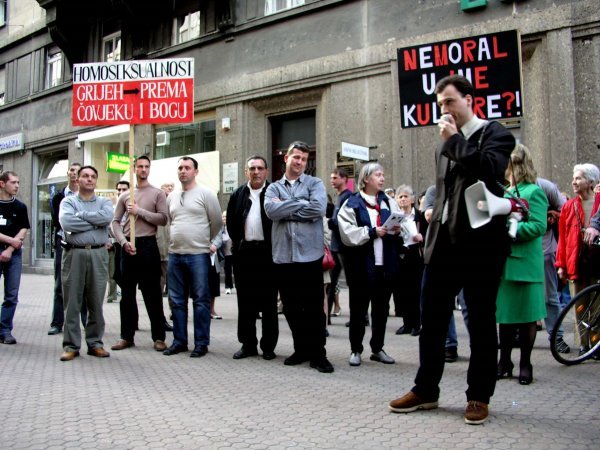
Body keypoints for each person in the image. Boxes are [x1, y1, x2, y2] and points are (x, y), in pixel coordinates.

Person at [389, 75, 516, 425]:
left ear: (469, 99)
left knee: (480, 322)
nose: (443, 109)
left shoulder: (496, 134)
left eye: (449, 101)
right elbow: (444, 191)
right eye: (440, 103)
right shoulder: (443, 143)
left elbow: (490, 171)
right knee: (431, 321)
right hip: (442, 243)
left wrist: (455, 140)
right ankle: (426, 390)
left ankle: (478, 396)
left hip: (479, 246)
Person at [265, 141, 333, 373]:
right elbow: (271, 211)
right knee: (292, 308)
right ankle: (301, 348)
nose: (300, 162)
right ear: (286, 158)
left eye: (304, 159)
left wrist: (286, 207)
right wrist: (301, 204)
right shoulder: (273, 188)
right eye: (296, 157)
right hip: (283, 258)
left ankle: (318, 354)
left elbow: (318, 209)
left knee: (314, 309)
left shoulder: (315, 183)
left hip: (310, 256)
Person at [337, 162, 401, 367]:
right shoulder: (352, 203)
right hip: (361, 267)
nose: (382, 178)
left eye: (383, 175)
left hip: (385, 266)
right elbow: (346, 232)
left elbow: (403, 222)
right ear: (365, 179)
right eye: (378, 175)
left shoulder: (388, 202)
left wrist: (398, 231)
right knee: (358, 310)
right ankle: (356, 349)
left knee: (381, 310)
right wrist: (372, 232)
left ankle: (377, 348)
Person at [496, 144, 548, 385]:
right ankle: (504, 361)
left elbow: (539, 226)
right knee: (505, 316)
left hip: (526, 263)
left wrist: (509, 229)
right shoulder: (505, 191)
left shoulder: (533, 192)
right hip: (505, 263)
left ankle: (526, 363)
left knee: (527, 317)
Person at [163, 156, 222, 357]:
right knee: (177, 301)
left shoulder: (206, 194)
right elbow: (171, 221)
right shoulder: (171, 197)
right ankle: (179, 341)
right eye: (180, 167)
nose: (183, 171)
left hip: (198, 255)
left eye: (187, 167)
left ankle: (201, 343)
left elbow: (216, 223)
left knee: (200, 301)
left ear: (196, 171)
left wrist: (205, 242)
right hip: (175, 255)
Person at [111, 155, 169, 353]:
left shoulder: (157, 194)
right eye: (140, 166)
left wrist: (139, 211)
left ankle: (159, 337)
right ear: (134, 169)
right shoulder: (125, 195)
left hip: (148, 246)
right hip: (128, 246)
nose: (143, 169)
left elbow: (163, 219)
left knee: (152, 294)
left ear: (149, 169)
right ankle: (126, 336)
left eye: (146, 166)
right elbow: (115, 222)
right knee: (126, 295)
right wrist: (123, 242)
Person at [58, 166, 113, 361]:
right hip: (75, 255)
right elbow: (67, 224)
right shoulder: (68, 202)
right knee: (72, 301)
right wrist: (96, 222)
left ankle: (95, 344)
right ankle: (71, 345)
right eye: (85, 176)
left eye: (92, 176)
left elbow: (107, 218)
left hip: (98, 254)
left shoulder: (105, 202)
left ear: (96, 180)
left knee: (96, 301)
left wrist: (81, 216)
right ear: (78, 179)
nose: (89, 179)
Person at [226, 155, 278, 360]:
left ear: (266, 171)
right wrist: (238, 244)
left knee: (268, 303)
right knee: (245, 302)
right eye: (252, 168)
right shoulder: (238, 194)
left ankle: (268, 347)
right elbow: (231, 223)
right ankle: (248, 344)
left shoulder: (274, 191)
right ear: (246, 172)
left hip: (269, 254)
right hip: (245, 253)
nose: (256, 172)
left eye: (260, 168)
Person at [555, 163, 600, 355]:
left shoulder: (599, 203)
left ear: (590, 182)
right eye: (574, 178)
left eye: (578, 178)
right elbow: (563, 239)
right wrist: (561, 265)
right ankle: (583, 344)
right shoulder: (568, 207)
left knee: (598, 306)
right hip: (577, 262)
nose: (574, 182)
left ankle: (596, 343)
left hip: (597, 261)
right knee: (580, 305)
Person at [48, 162, 85, 335]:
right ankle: (57, 323)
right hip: (63, 243)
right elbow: (58, 222)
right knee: (60, 285)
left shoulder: (87, 196)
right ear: (68, 173)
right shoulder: (58, 197)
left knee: (84, 284)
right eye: (71, 170)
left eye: (78, 171)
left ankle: (86, 322)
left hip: (83, 243)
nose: (74, 173)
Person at [535, 177, 567, 352]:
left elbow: (566, 210)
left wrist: (553, 215)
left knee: (549, 295)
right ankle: (517, 334)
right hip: (518, 250)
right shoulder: (506, 185)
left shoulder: (544, 186)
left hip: (545, 249)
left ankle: (557, 336)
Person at [0, 171, 30, 345]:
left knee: (11, 295)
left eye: (18, 182)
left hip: (14, 253)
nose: (17, 185)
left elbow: (23, 229)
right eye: (13, 182)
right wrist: (10, 240)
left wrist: (10, 249)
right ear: (2, 184)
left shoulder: (20, 206)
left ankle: (5, 330)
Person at [394, 184, 427, 337]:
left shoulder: (420, 216)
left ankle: (417, 324)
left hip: (417, 255)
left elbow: (430, 235)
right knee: (403, 291)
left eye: (405, 196)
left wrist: (423, 238)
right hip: (402, 255)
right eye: (400, 196)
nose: (403, 199)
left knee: (416, 291)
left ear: (412, 199)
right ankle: (407, 324)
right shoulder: (395, 217)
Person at [327, 168, 352, 319]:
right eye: (331, 177)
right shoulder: (339, 197)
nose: (332, 180)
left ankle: (361, 317)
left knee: (351, 282)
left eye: (335, 177)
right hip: (335, 247)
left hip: (344, 247)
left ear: (344, 179)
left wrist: (329, 222)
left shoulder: (348, 197)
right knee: (331, 282)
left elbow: (342, 222)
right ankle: (326, 317)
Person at [106, 180, 129, 304]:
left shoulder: (133, 206)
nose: (121, 192)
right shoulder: (112, 208)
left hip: (130, 243)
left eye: (124, 189)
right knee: (115, 273)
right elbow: (107, 226)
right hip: (115, 244)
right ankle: (114, 294)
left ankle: (127, 294)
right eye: (119, 189)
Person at [221, 211, 234, 295]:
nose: (225, 218)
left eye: (226, 216)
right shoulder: (220, 228)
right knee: (227, 270)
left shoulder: (232, 227)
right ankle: (228, 287)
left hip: (233, 252)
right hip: (225, 253)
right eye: (223, 217)